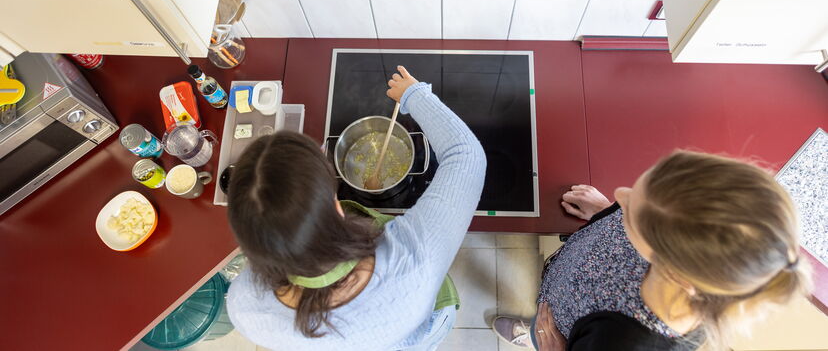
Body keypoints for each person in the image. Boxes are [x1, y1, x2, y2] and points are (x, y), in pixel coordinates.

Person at [225, 66, 486, 350]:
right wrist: (413, 94)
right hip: (421, 328)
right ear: (337, 209)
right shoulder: (413, 257)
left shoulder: (243, 307)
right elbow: (466, 156)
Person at [493, 151, 812, 351]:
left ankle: (532, 335)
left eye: (633, 212)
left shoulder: (628, 343)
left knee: (545, 330)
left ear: (673, 268)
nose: (621, 193)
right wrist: (609, 211)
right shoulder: (676, 230)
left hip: (563, 331)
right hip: (568, 280)